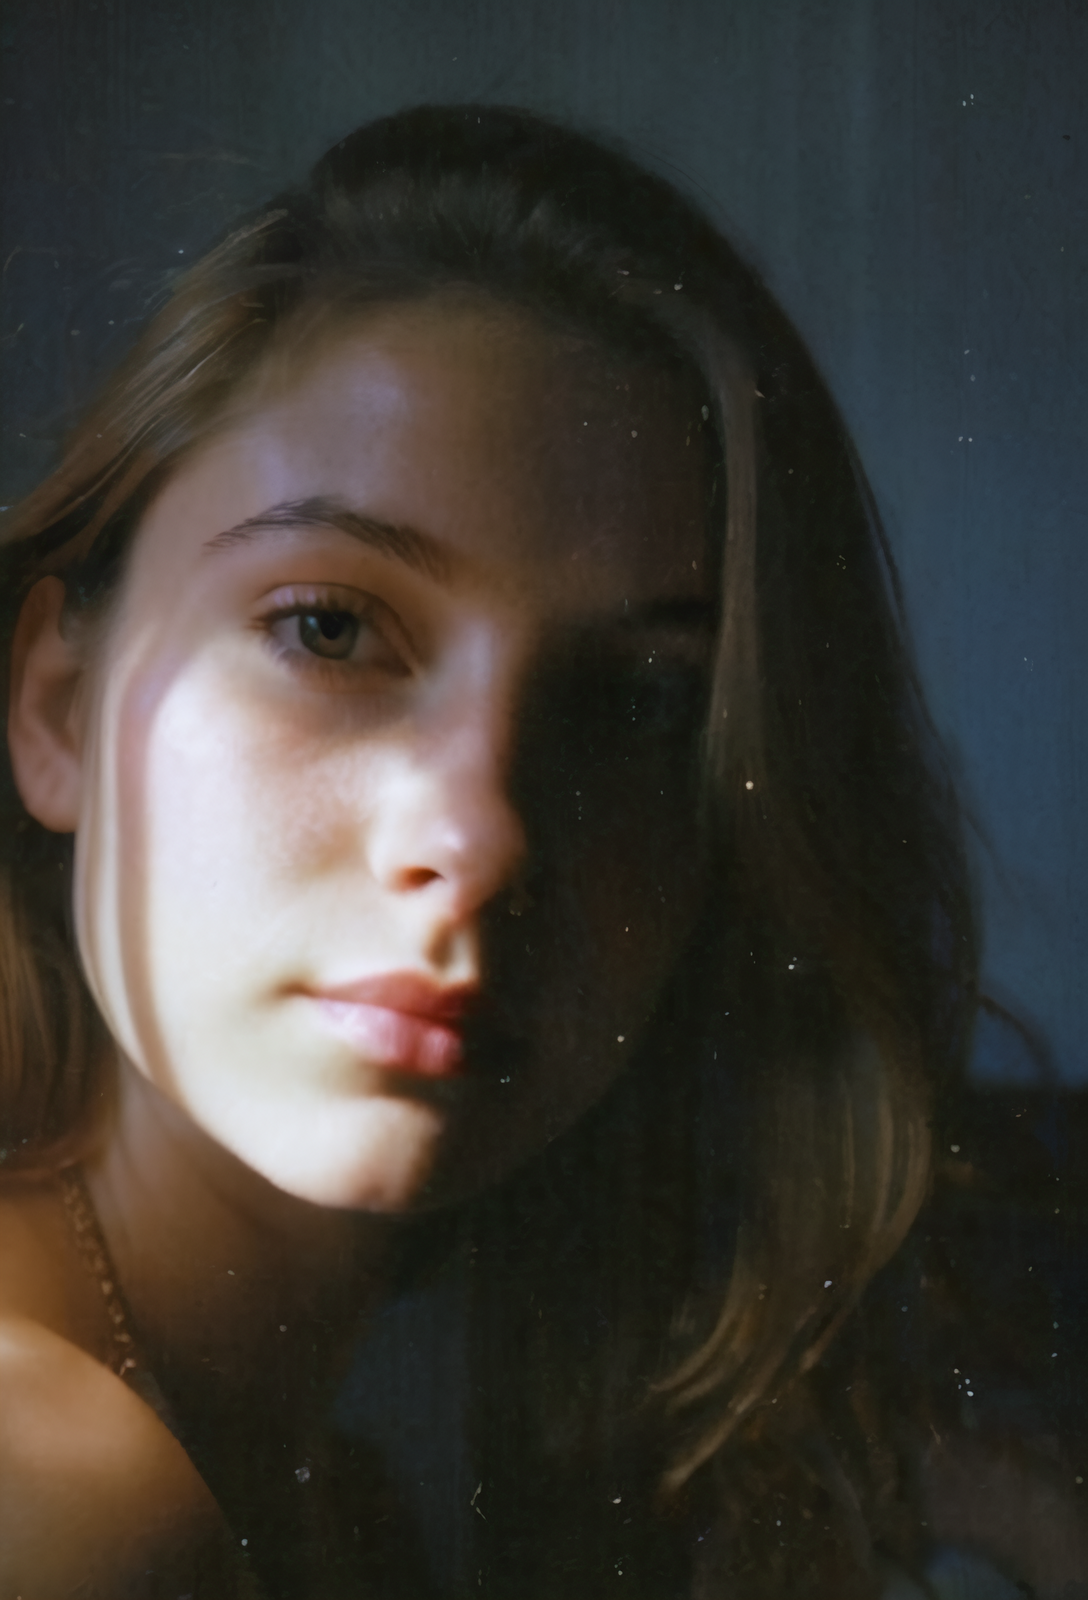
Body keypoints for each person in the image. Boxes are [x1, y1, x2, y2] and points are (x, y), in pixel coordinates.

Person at [0, 104, 1082, 1600]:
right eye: (331, 629)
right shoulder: (60, 1499)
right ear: (55, 705)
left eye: (640, 704)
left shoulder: (341, 1503)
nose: (484, 832)